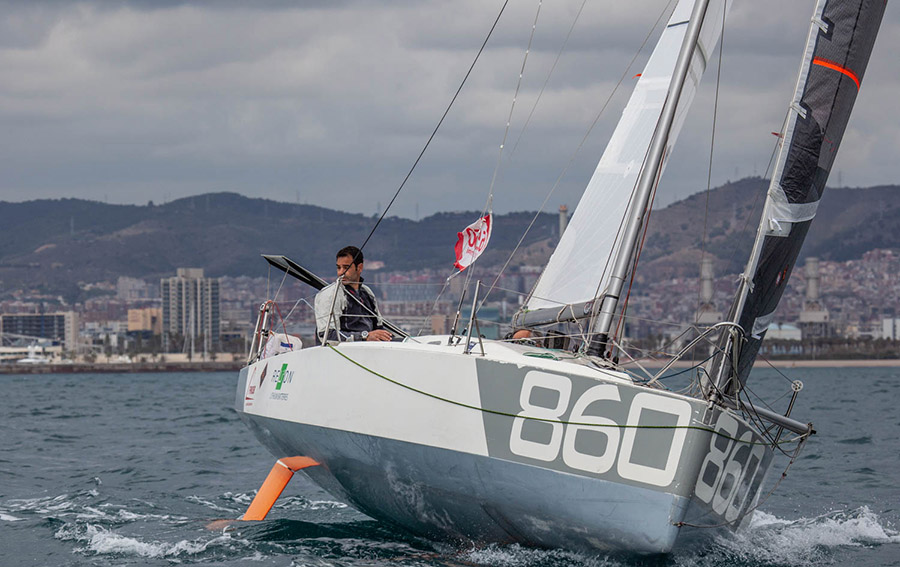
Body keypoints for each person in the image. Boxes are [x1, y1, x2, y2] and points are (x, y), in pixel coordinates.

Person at [315, 246, 393, 343]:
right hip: (342, 353)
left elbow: (379, 327)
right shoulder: (330, 294)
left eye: (346, 268)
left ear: (359, 268)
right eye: (338, 267)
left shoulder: (367, 292)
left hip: (369, 350)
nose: (340, 272)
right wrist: (364, 336)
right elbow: (326, 335)